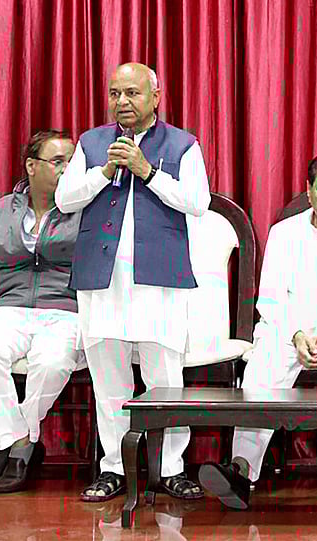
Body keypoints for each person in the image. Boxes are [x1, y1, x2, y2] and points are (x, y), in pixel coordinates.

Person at [199, 152, 317, 509]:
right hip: (292, 333)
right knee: (261, 365)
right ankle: (241, 470)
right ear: (308, 190)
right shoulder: (285, 232)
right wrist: (299, 337)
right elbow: (271, 297)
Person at [56, 62, 210, 502]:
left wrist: (147, 171)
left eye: (132, 94)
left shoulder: (183, 145)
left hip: (157, 281)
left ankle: (170, 467)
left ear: (155, 97)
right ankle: (113, 468)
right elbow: (66, 199)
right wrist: (103, 172)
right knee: (109, 382)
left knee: (165, 379)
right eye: (115, 94)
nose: (122, 103)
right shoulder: (92, 143)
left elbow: (198, 203)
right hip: (101, 280)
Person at [0, 130, 81, 493]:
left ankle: (15, 443)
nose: (67, 170)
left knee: (51, 363)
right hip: (8, 309)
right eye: (58, 162)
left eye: (73, 162)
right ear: (31, 166)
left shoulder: (86, 210)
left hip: (66, 310)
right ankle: (22, 443)